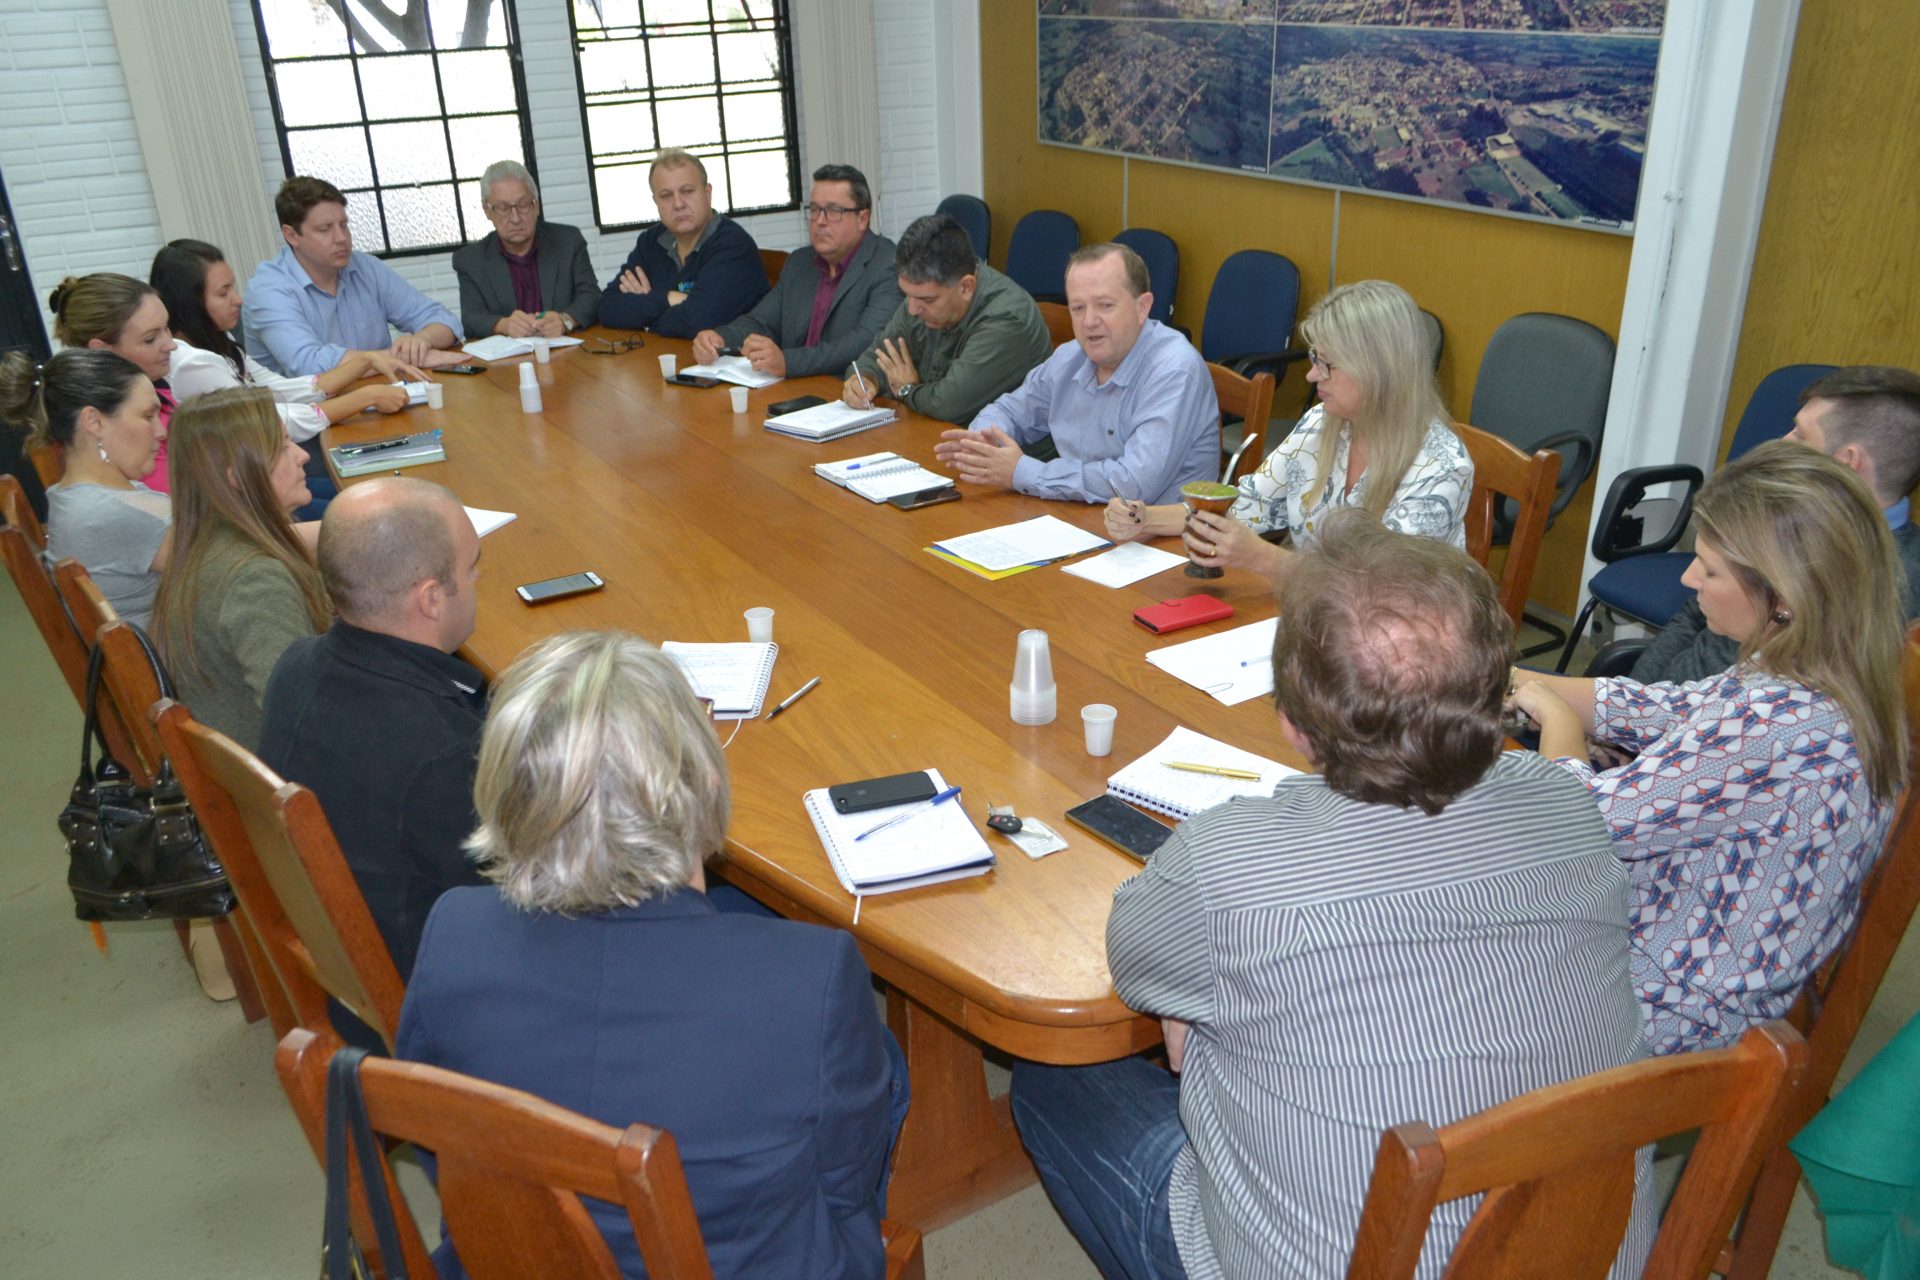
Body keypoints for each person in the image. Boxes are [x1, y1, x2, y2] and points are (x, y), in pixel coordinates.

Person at [1011, 510, 1652, 1280]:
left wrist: (1195, 1010)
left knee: (1057, 1078)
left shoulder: (1228, 862)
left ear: (1291, 723)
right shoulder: (1568, 801)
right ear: (1497, 693)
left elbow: (1136, 960)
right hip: (1592, 1253)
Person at [395, 630, 906, 1279]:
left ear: (506, 789)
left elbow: (439, 1142)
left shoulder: (453, 933)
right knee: (880, 1064)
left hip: (513, 1262)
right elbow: (844, 1182)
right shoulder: (811, 979)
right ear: (706, 784)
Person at [1512, 440, 1908, 1056]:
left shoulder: (1781, 725)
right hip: (1666, 938)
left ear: (1785, 596)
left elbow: (1584, 821)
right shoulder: (1810, 668)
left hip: (1671, 1008)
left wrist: (1557, 718)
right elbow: (1668, 708)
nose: (1688, 578)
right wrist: (1515, 680)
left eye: (1710, 569)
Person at [257, 477, 488, 997]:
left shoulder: (294, 665)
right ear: (431, 598)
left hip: (346, 960)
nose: (477, 581)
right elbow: (529, 899)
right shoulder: (443, 752)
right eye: (472, 568)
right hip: (429, 991)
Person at [1104, 279, 1470, 584]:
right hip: (1318, 619)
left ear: (1377, 370)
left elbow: (1382, 587)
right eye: (1314, 359)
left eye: (1326, 364)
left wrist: (1264, 558)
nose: (1311, 375)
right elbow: (1244, 505)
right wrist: (1145, 518)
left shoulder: (1440, 466)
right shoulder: (1321, 424)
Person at [1631, 364, 1920, 684]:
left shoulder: (1878, 586)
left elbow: (1718, 673)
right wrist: (1632, 691)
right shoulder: (1784, 518)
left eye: (1800, 435)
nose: (1782, 441)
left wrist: (1633, 706)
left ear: (1846, 463)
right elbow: (1691, 616)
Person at [932, 242, 1218, 504]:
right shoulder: (1071, 357)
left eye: (1105, 305)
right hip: (1079, 516)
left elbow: (1132, 485)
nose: (1089, 321)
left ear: (1142, 308)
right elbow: (1009, 410)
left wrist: (1023, 472)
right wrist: (982, 444)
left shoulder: (1174, 370)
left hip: (1161, 534)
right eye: (1078, 308)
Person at [151, 386, 330, 750]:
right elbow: (301, 718)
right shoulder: (255, 578)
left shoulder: (207, 544)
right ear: (237, 477)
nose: (302, 456)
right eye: (282, 447)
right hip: (277, 771)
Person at [153, 238, 421, 442]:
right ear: (190, 304)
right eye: (223, 294)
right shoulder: (193, 364)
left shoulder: (215, 337)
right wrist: (365, 397)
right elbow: (272, 421)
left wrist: (364, 362)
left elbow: (278, 389)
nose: (238, 299)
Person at [0, 349, 168, 626]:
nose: (161, 431)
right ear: (94, 422)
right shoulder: (112, 515)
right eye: (148, 416)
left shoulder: (69, 495)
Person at [689, 164, 901, 379]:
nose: (820, 221)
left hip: (846, 389)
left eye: (833, 211)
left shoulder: (887, 265)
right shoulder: (800, 262)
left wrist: (788, 362)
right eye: (815, 210)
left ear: (862, 218)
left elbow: (864, 342)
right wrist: (719, 338)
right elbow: (761, 321)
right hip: (790, 386)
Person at [842, 213, 1051, 426]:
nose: (912, 309)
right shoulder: (921, 296)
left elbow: (948, 405)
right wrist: (865, 380)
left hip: (1003, 444)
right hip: (935, 433)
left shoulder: (1006, 319)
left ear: (966, 287)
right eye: (907, 295)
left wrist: (907, 390)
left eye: (927, 300)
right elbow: (875, 357)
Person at [243, 176, 463, 376]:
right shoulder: (268, 290)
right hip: (307, 406)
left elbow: (445, 320)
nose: (341, 238)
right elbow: (308, 365)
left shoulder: (365, 267)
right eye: (324, 229)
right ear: (291, 235)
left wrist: (422, 341)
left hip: (381, 394)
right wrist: (400, 358)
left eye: (344, 225)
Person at [596, 149, 768, 338]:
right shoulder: (651, 241)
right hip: (665, 353)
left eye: (687, 191)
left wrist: (645, 315)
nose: (678, 204)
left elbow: (697, 322)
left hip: (731, 355)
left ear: (708, 193)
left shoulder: (734, 246)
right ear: (655, 201)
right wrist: (668, 298)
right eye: (666, 195)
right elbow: (607, 307)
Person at [48, 273, 179, 491]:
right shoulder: (119, 427)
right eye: (150, 338)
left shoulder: (158, 391)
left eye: (166, 327)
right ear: (101, 351)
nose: (171, 344)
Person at [450, 160, 599, 340]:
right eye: (503, 208)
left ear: (536, 205)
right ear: (487, 210)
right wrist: (503, 325)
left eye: (523, 205)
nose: (515, 218)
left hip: (564, 350)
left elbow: (591, 296)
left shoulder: (568, 241)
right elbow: (471, 318)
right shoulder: (470, 260)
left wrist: (565, 320)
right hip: (509, 354)